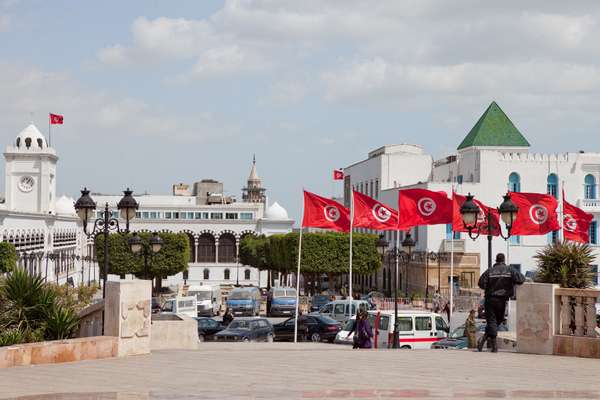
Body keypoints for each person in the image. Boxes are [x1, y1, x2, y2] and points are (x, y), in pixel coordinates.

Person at [478, 253, 525, 352]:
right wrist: (510, 282)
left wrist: (489, 286)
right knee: (496, 321)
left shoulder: (489, 271)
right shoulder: (510, 270)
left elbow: (481, 283)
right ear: (504, 260)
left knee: (493, 321)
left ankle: (484, 338)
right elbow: (521, 279)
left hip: (490, 299)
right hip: (502, 300)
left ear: (496, 260)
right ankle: (494, 347)